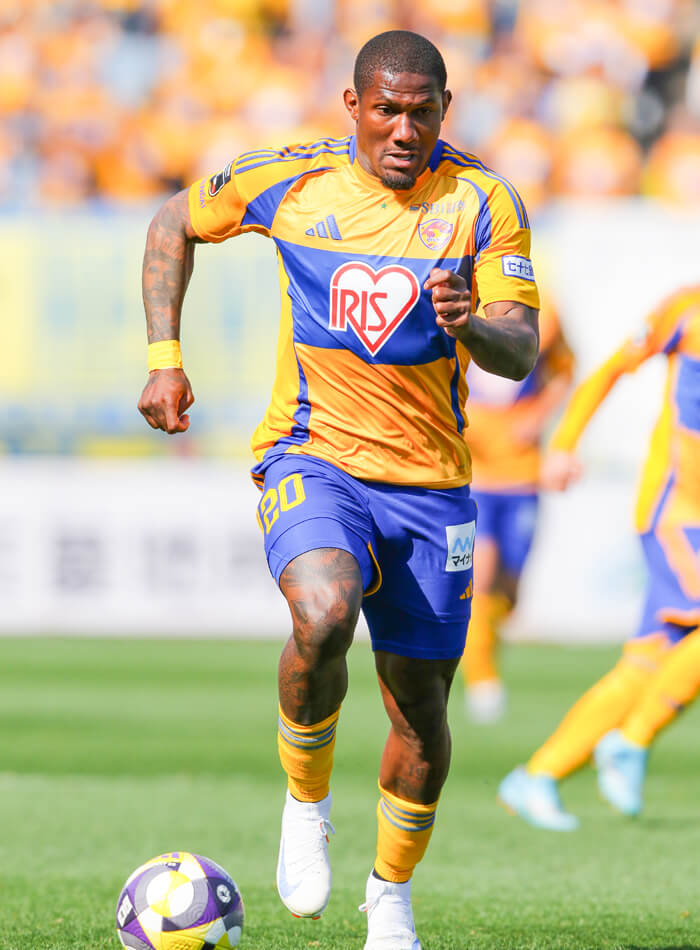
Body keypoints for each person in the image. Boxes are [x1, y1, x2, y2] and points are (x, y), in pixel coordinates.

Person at [138, 30, 539, 949]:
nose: (405, 129)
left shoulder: (483, 201)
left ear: (446, 110)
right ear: (353, 106)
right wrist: (164, 358)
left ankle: (389, 896)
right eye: (387, 110)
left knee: (420, 711)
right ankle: (305, 802)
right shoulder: (292, 181)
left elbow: (521, 349)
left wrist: (472, 326)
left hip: (431, 487)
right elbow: (171, 223)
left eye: (423, 112)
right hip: (312, 458)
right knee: (322, 612)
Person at [499, 284, 700, 831]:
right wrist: (564, 443)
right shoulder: (686, 310)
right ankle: (630, 741)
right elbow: (611, 370)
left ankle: (537, 776)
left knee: (649, 660)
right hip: (676, 509)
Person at [460, 292, 574, 722]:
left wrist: (538, 418)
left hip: (523, 474)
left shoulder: (546, 311)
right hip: (474, 474)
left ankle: (482, 643)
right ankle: (482, 681)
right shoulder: (456, 301)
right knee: (481, 577)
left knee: (508, 595)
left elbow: (565, 372)